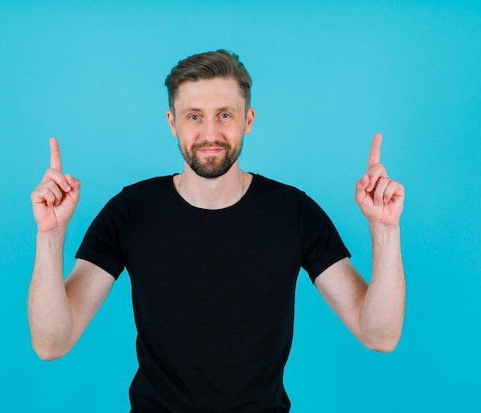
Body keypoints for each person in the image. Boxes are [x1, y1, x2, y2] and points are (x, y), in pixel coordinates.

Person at [28, 49, 406, 412]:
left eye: (225, 115)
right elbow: (53, 343)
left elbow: (379, 335)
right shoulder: (130, 211)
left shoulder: (294, 212)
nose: (210, 133)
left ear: (249, 120)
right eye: (194, 116)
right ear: (172, 123)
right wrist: (50, 236)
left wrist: (385, 229)